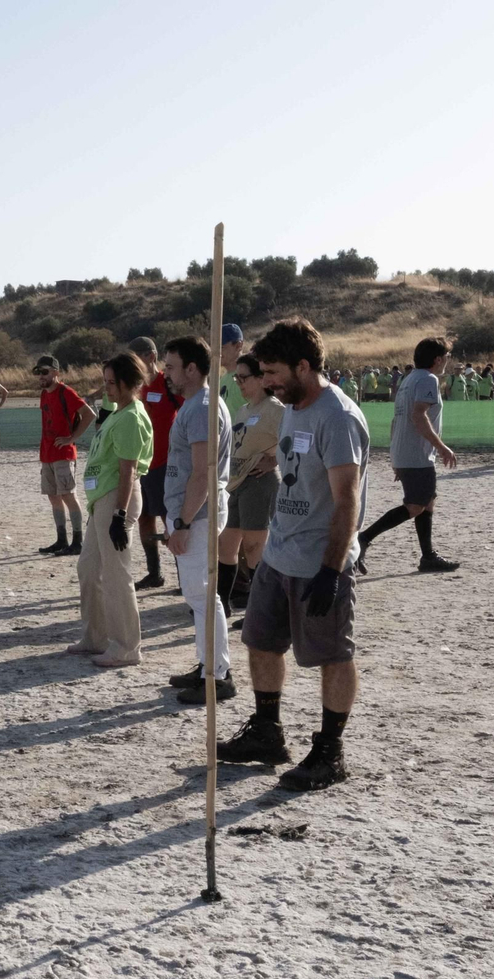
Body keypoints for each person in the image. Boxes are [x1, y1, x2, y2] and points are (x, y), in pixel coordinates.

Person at [220, 315, 370, 792]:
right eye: (261, 374)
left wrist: (331, 570)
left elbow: (347, 499)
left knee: (331, 655)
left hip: (319, 560)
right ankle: (268, 733)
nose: (266, 383)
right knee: (260, 641)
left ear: (303, 366)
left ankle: (330, 753)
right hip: (280, 553)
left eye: (272, 373)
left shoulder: (338, 417)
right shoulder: (292, 407)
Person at [160, 336, 234, 704]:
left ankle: (217, 674)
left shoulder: (202, 406)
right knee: (199, 595)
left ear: (192, 368)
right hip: (194, 512)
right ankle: (209, 664)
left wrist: (184, 523)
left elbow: (203, 474)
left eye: (171, 366)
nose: (165, 373)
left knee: (202, 595)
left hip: (198, 515)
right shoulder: (196, 404)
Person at [69, 353, 154, 667]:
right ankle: (96, 637)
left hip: (115, 499)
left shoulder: (131, 416)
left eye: (111, 383)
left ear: (129, 383)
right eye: (104, 382)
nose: (106, 389)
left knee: (117, 574)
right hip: (100, 499)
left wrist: (119, 514)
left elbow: (128, 470)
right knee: (89, 568)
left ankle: (127, 646)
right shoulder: (117, 412)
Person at [355, 337, 459, 574]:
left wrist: (395, 455)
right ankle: (364, 539)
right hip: (417, 454)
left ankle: (428, 556)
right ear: (438, 359)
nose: (447, 362)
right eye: (447, 357)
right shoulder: (428, 379)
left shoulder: (408, 379)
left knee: (428, 501)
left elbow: (396, 420)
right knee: (415, 506)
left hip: (406, 452)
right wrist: (442, 447)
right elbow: (418, 416)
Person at [220, 353, 284, 618]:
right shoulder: (243, 410)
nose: (239, 383)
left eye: (244, 378)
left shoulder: (276, 409)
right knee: (226, 545)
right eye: (237, 378)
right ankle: (222, 604)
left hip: (259, 483)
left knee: (254, 548)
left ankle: (261, 612)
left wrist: (274, 460)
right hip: (236, 483)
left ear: (261, 379)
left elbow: (295, 442)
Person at [129, 336, 183, 589]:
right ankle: (155, 573)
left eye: (137, 357)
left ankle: (184, 576)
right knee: (144, 519)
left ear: (150, 356)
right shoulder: (135, 387)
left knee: (168, 520)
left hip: (165, 464)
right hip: (141, 463)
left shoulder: (168, 383)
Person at [34, 355, 94, 556]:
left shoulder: (66, 392)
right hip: (47, 453)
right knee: (53, 496)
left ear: (56, 372)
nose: (41, 376)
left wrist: (72, 438)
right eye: (38, 372)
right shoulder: (44, 394)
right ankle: (61, 539)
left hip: (63, 453)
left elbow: (89, 414)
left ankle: (77, 540)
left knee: (68, 494)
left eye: (45, 372)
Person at [218, 323, 245, 408]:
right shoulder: (221, 381)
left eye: (222, 347)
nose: (217, 352)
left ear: (238, 346)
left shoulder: (249, 378)